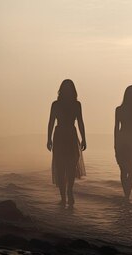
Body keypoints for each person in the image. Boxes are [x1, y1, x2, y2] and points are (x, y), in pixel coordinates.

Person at [47, 79, 86, 207]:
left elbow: (80, 122)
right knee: (63, 166)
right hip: (65, 135)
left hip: (65, 135)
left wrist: (84, 138)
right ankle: (65, 194)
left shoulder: (74, 104)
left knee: (67, 166)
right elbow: (51, 122)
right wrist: (48, 139)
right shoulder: (58, 104)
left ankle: (66, 194)